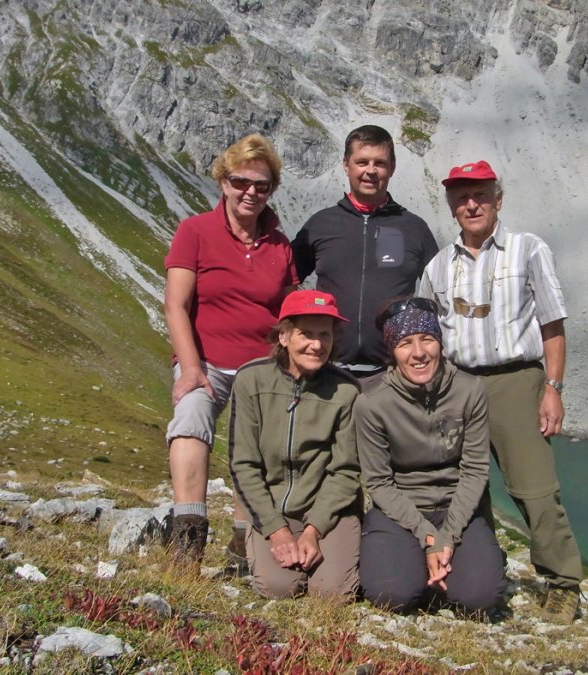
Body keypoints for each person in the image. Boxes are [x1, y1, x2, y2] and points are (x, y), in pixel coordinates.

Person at [418, 160, 584, 624]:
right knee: (461, 489)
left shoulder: (528, 249)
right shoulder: (436, 267)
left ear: (498, 199)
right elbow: (429, 334)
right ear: (451, 205)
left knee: (534, 488)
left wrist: (552, 387)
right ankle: (478, 570)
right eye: (461, 197)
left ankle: (564, 583)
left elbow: (553, 323)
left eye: (481, 195)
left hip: (516, 380)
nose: (471, 204)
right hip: (458, 385)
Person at [163, 134, 298, 569]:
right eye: (241, 182)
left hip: (261, 368)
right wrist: (189, 368)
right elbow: (176, 303)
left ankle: (244, 544)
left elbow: (287, 312)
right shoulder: (195, 231)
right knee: (190, 419)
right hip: (205, 364)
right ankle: (188, 536)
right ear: (223, 181)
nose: (251, 193)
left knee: (255, 449)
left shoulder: (280, 245)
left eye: (262, 185)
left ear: (271, 190)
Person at [355, 297, 505, 615]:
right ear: (392, 352)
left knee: (480, 599)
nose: (419, 353)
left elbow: (475, 470)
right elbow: (379, 482)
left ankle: (451, 566)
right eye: (405, 343)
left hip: (458, 510)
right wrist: (427, 536)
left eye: (427, 339)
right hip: (401, 511)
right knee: (391, 595)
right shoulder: (372, 403)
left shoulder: (470, 391)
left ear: (440, 342)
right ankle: (420, 566)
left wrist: (447, 536)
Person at [230, 290, 361, 599]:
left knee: (332, 594)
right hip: (273, 508)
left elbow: (346, 471)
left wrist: (314, 531)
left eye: (325, 335)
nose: (316, 345)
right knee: (278, 588)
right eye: (306, 334)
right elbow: (243, 464)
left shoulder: (347, 391)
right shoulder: (251, 380)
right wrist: (276, 530)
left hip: (329, 512)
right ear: (284, 336)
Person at [291, 124, 439, 377]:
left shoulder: (414, 228)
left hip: (393, 373)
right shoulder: (321, 224)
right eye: (362, 162)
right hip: (327, 370)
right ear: (346, 165)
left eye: (379, 163)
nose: (370, 171)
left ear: (392, 167)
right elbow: (284, 282)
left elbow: (439, 296)